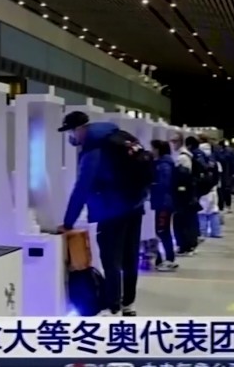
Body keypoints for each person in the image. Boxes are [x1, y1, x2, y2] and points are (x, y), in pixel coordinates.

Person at [58, 111, 146, 316]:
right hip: (135, 205)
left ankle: (113, 306)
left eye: (71, 132)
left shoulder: (94, 148)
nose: (71, 137)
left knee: (111, 259)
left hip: (112, 210)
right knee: (130, 257)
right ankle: (128, 304)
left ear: (79, 129)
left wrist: (68, 222)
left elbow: (82, 188)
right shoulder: (118, 136)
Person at [149, 139, 178, 272]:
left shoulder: (164, 165)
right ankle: (163, 258)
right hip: (163, 202)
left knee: (162, 230)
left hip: (163, 202)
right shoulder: (164, 163)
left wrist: (153, 185)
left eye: (153, 148)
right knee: (161, 230)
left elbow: (164, 184)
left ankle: (169, 259)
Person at [168, 132, 198, 256]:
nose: (172, 144)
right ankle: (187, 244)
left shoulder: (182, 157)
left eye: (174, 141)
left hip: (183, 196)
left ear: (180, 142)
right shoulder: (185, 155)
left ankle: (185, 245)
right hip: (186, 195)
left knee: (181, 221)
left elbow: (184, 178)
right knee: (185, 220)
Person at [197, 142, 222, 238]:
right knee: (213, 211)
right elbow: (218, 177)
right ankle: (216, 232)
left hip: (203, 191)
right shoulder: (215, 163)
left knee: (202, 212)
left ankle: (202, 232)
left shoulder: (199, 162)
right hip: (213, 190)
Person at [214, 140, 234, 213]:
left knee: (225, 189)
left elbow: (230, 161)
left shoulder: (220, 153)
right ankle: (226, 205)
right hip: (226, 173)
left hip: (225, 173)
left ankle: (226, 205)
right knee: (225, 189)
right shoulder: (229, 151)